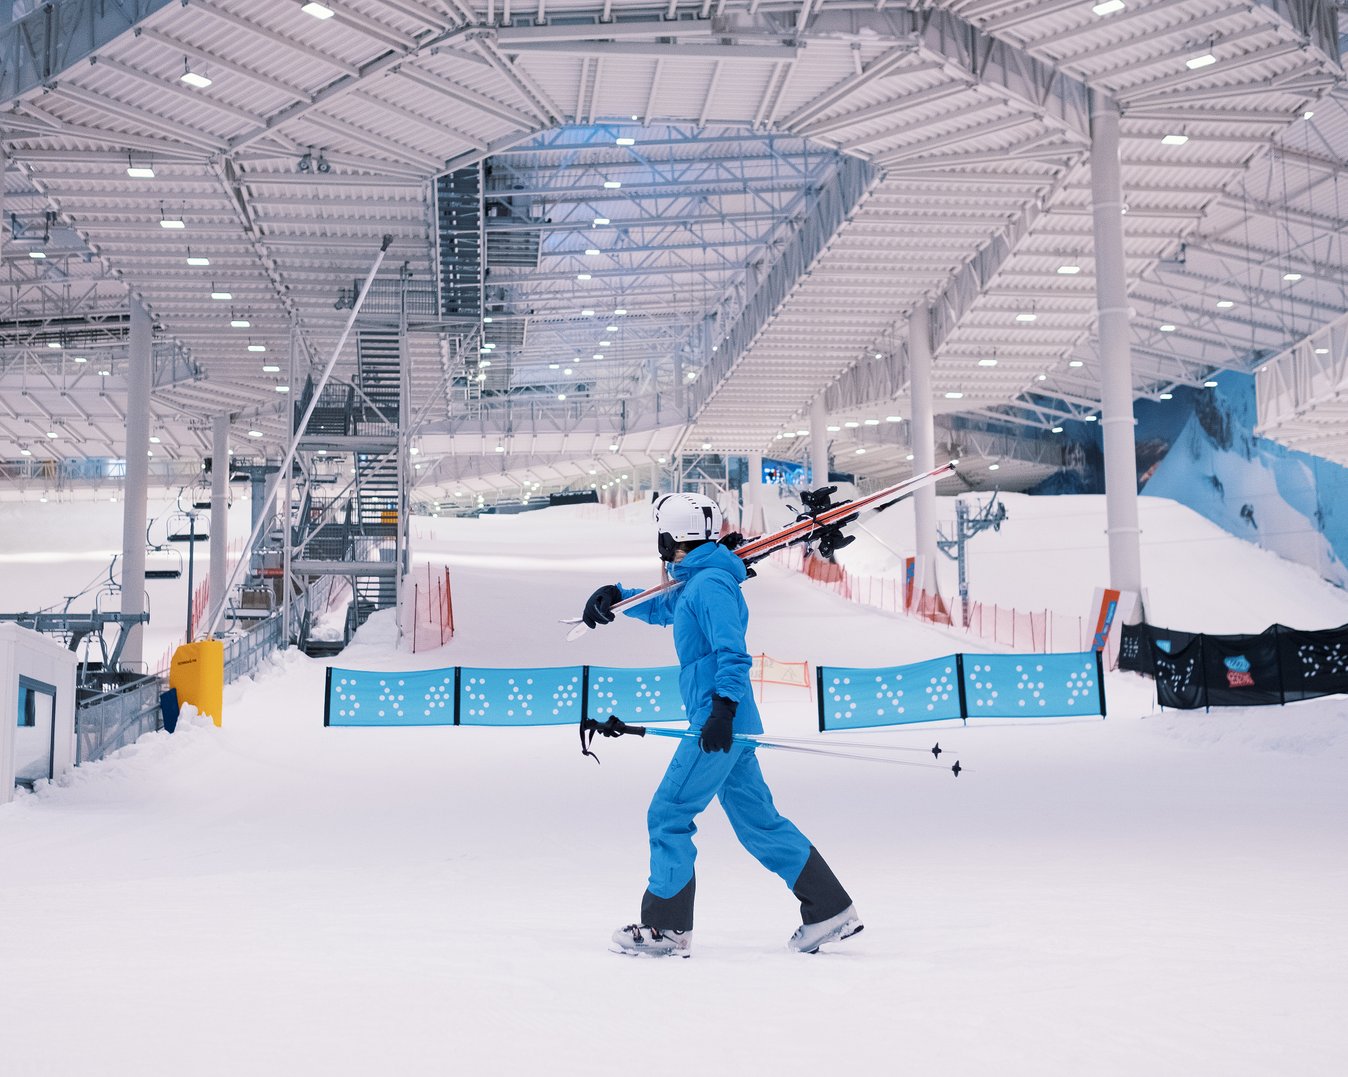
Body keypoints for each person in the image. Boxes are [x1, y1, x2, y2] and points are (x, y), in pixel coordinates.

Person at [582, 490, 861, 958]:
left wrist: (722, 711)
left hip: (718, 722)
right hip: (727, 721)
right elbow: (665, 607)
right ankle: (828, 908)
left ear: (672, 536)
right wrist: (617, 599)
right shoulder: (700, 580)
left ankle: (666, 929)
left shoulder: (709, 584)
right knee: (760, 824)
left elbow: (732, 652)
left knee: (668, 814)